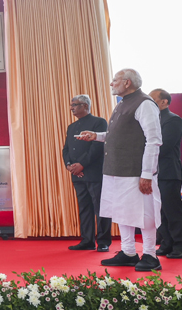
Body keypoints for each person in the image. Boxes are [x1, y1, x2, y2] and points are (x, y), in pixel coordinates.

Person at [77, 68, 162, 271]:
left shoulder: (144, 104)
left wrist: (147, 174)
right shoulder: (123, 103)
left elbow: (154, 141)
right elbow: (120, 136)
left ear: (127, 83)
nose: (111, 83)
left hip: (136, 172)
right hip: (116, 170)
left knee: (145, 213)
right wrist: (96, 136)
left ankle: (150, 255)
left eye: (115, 80)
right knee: (122, 212)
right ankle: (128, 252)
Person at [62, 94, 112, 252]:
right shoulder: (71, 127)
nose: (72, 108)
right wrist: (70, 165)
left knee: (100, 208)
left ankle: (103, 242)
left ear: (85, 106)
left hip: (94, 172)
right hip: (77, 174)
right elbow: (66, 149)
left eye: (75, 105)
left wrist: (82, 165)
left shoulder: (99, 122)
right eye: (71, 105)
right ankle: (87, 240)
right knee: (84, 208)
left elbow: (98, 147)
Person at [149, 89, 182, 259]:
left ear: (164, 102)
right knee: (159, 211)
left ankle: (179, 245)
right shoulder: (150, 120)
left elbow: (165, 146)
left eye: (153, 99)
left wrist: (145, 153)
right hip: (153, 173)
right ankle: (166, 243)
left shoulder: (173, 120)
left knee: (172, 211)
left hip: (169, 172)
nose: (150, 102)